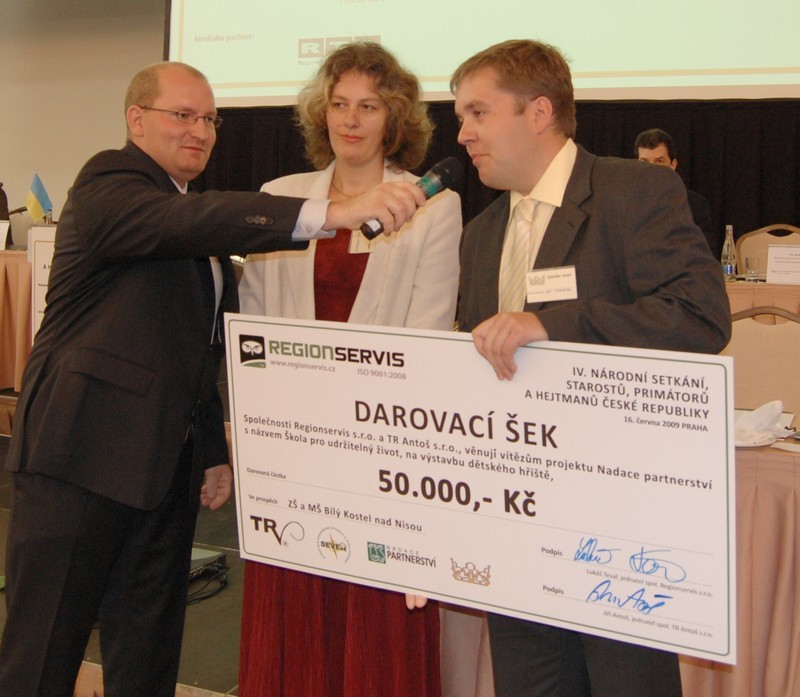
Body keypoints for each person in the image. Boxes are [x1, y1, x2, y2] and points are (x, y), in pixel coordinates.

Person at [0, 61, 426, 697]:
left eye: (209, 119)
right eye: (182, 115)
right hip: (80, 462)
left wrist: (211, 452)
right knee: (42, 655)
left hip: (161, 475)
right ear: (136, 120)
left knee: (147, 655)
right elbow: (188, 223)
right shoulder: (109, 182)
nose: (199, 131)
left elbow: (194, 350)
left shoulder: (188, 213)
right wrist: (335, 211)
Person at [450, 40, 731, 697]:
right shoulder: (481, 232)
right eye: (461, 117)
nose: (462, 134)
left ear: (539, 112)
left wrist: (554, 324)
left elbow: (700, 317)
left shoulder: (635, 191)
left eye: (478, 113)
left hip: (619, 533)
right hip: (517, 529)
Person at [237, 41, 464, 697]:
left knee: (373, 636)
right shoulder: (279, 197)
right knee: (293, 626)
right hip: (293, 448)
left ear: (394, 118)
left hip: (380, 451)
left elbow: (426, 340)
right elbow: (256, 323)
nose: (350, 119)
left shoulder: (432, 206)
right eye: (339, 104)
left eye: (368, 106)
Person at [635, 128, 719, 258]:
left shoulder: (695, 205)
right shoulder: (624, 204)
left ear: (673, 165)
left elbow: (706, 256)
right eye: (644, 162)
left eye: (659, 161)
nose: (651, 169)